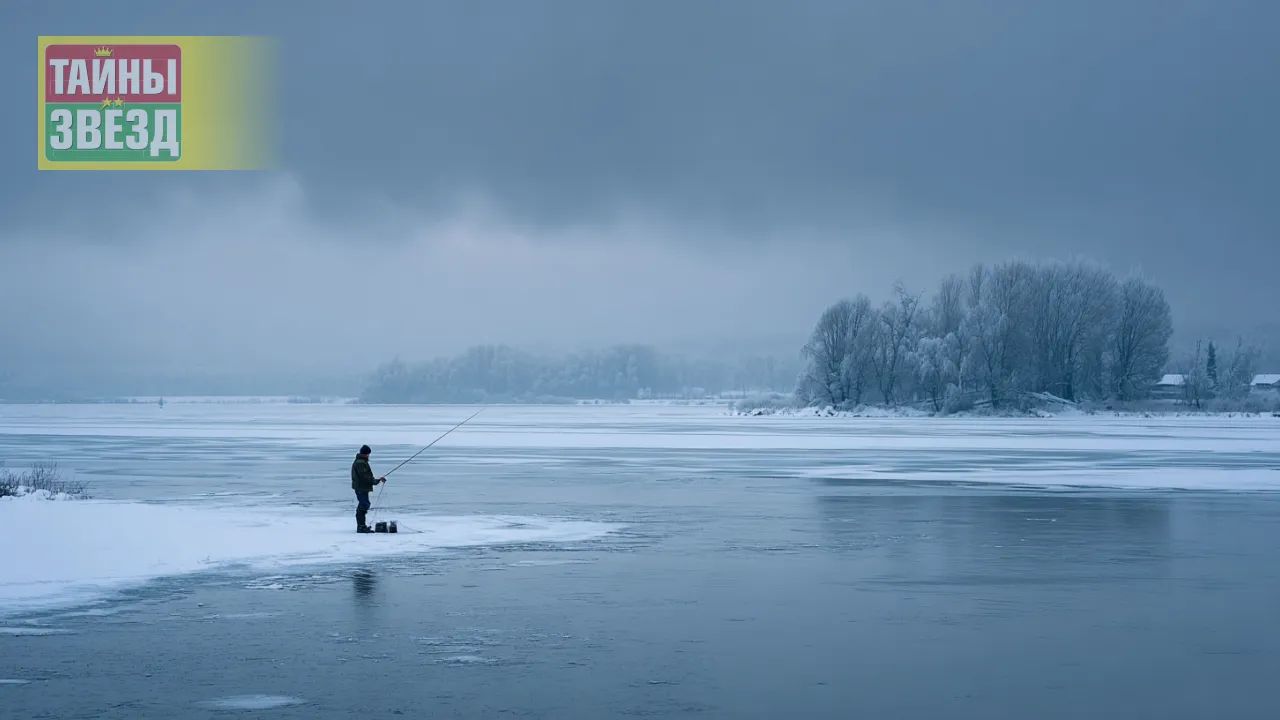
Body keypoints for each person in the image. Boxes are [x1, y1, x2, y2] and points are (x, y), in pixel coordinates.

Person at [351, 444, 386, 533]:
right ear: (365, 453)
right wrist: (376, 481)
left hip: (362, 487)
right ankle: (361, 527)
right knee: (364, 505)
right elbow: (365, 477)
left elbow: (367, 477)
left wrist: (377, 480)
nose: (368, 456)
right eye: (368, 454)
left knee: (364, 504)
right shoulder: (360, 463)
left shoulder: (361, 461)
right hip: (361, 488)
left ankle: (362, 526)